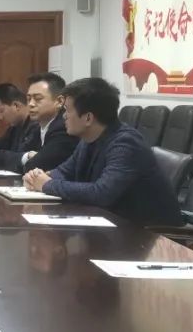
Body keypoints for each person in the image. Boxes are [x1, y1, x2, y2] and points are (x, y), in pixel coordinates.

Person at [23, 77, 183, 227]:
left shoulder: (126, 143)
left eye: (67, 110)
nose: (64, 116)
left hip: (151, 234)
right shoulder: (88, 139)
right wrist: (38, 177)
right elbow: (65, 171)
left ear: (88, 118)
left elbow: (101, 193)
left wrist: (47, 184)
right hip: (113, 225)